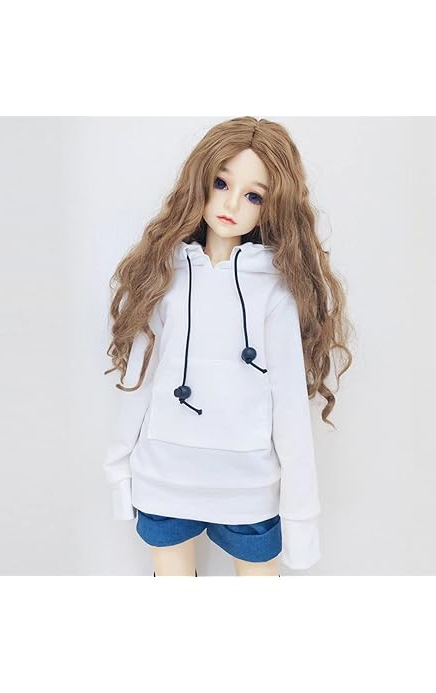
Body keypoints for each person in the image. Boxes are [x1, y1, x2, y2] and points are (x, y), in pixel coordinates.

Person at [103, 116, 353, 576]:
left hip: (248, 488)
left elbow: (289, 410)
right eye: (221, 183)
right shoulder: (164, 278)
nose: (232, 203)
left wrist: (301, 518)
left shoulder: (276, 292)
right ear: (200, 181)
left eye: (254, 195)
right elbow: (139, 382)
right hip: (165, 477)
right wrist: (118, 470)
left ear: (272, 207)